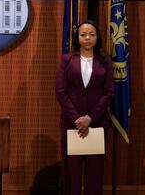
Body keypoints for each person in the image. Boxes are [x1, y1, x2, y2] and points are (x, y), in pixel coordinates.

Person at [55, 20, 114, 195]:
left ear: (97, 37)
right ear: (77, 38)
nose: (87, 38)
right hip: (71, 125)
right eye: (83, 35)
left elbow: (109, 92)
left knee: (94, 176)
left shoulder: (106, 61)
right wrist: (77, 118)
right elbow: (60, 91)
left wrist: (89, 118)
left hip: (96, 125)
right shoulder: (67, 60)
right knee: (71, 174)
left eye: (91, 34)